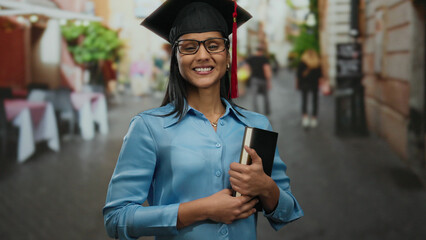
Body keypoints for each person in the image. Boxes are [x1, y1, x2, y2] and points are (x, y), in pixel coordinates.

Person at [103, 1, 303, 239]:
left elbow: (287, 212)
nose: (202, 55)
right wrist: (201, 210)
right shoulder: (149, 128)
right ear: (176, 60)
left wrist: (266, 187)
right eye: (189, 47)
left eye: (213, 45)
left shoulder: (256, 126)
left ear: (227, 56)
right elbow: (116, 219)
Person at [297, 49, 322, 128]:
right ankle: (314, 118)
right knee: (315, 101)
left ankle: (305, 118)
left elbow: (298, 75)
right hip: (314, 84)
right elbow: (320, 75)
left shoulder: (302, 63)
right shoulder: (317, 63)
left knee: (304, 100)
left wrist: (297, 84)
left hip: (304, 84)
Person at [245, 47, 273, 115]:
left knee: (254, 97)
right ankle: (267, 113)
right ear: (262, 52)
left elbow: (246, 67)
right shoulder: (264, 59)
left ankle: (256, 113)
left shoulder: (251, 58)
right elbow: (266, 69)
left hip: (254, 79)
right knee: (266, 97)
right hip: (263, 80)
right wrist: (269, 82)